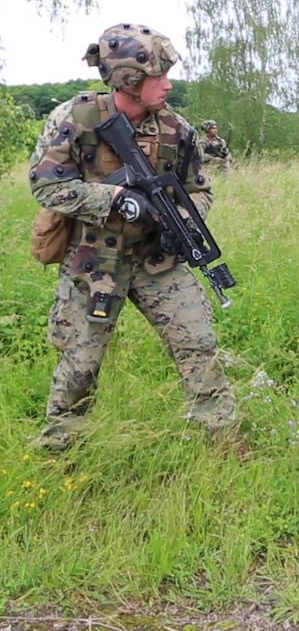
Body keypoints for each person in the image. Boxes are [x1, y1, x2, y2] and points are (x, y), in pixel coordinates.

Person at [27, 23, 239, 452]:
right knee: (80, 365)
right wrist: (115, 199)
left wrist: (179, 218)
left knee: (198, 344)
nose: (168, 84)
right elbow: (45, 185)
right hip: (95, 260)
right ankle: (56, 453)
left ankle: (225, 440)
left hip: (156, 258)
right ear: (129, 79)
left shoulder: (177, 130)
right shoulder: (78, 117)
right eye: (158, 76)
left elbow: (199, 190)